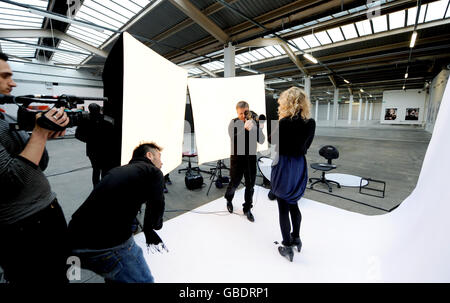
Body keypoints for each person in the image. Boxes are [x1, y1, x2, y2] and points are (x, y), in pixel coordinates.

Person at [0, 52, 70, 283]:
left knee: (64, 274)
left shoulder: (5, 117)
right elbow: (9, 179)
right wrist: (39, 133)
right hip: (23, 227)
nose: (13, 82)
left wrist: (43, 136)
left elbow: (41, 163)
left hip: (46, 212)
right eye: (4, 76)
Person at [67, 142, 166, 283]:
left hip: (75, 238)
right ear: (149, 155)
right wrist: (155, 226)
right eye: (159, 157)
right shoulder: (153, 171)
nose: (162, 162)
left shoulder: (122, 170)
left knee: (116, 274)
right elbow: (157, 204)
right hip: (104, 245)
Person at [269, 87, 315, 262]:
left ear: (287, 103)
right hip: (299, 165)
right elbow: (306, 146)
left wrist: (279, 122)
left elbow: (272, 142)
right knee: (294, 203)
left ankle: (287, 246)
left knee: (283, 207)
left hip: (284, 165)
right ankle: (296, 238)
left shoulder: (284, 123)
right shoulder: (311, 123)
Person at [225, 101, 265, 222]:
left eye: (245, 112)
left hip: (251, 159)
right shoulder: (233, 123)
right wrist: (244, 128)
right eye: (241, 113)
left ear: (249, 110)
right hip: (237, 159)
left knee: (250, 186)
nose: (243, 115)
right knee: (234, 183)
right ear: (237, 112)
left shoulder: (254, 121)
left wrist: (258, 129)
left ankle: (247, 208)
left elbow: (262, 140)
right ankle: (228, 199)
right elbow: (234, 138)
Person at [75, 103, 115, 186]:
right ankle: (104, 187)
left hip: (92, 149)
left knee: (96, 170)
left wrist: (88, 140)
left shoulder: (85, 120)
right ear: (99, 109)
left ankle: (96, 189)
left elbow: (77, 135)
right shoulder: (107, 120)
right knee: (104, 169)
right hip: (105, 150)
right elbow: (113, 135)